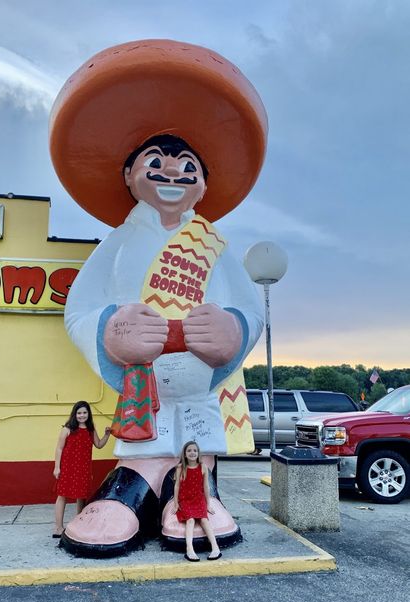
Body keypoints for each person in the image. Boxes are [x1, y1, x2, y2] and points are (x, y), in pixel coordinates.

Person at [49, 39, 268, 556]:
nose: (173, 172)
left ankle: (197, 489)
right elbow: (77, 309)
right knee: (143, 441)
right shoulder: (119, 244)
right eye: (156, 161)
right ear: (129, 176)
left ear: (203, 185)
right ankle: (136, 483)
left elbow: (251, 308)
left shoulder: (214, 246)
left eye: (187, 164)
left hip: (198, 386)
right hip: (141, 384)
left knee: (197, 438)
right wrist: (110, 329)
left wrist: (232, 330)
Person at [53, 401, 110, 537]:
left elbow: (99, 444)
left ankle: (79, 524)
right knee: (62, 496)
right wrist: (56, 467)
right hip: (68, 468)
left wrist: (107, 434)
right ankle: (58, 528)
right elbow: (59, 448)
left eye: (84, 412)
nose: (82, 415)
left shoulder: (90, 429)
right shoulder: (67, 429)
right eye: (79, 413)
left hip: (83, 468)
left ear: (88, 414)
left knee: (81, 496)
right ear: (74, 414)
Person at [174, 441, 222, 562]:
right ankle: (189, 549)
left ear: (198, 453)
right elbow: (177, 486)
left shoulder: (203, 467)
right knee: (190, 520)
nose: (192, 453)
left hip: (198, 499)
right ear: (185, 454)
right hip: (185, 500)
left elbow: (206, 487)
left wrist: (208, 504)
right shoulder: (181, 468)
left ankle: (215, 547)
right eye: (189, 450)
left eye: (195, 450)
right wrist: (176, 503)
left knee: (204, 520)